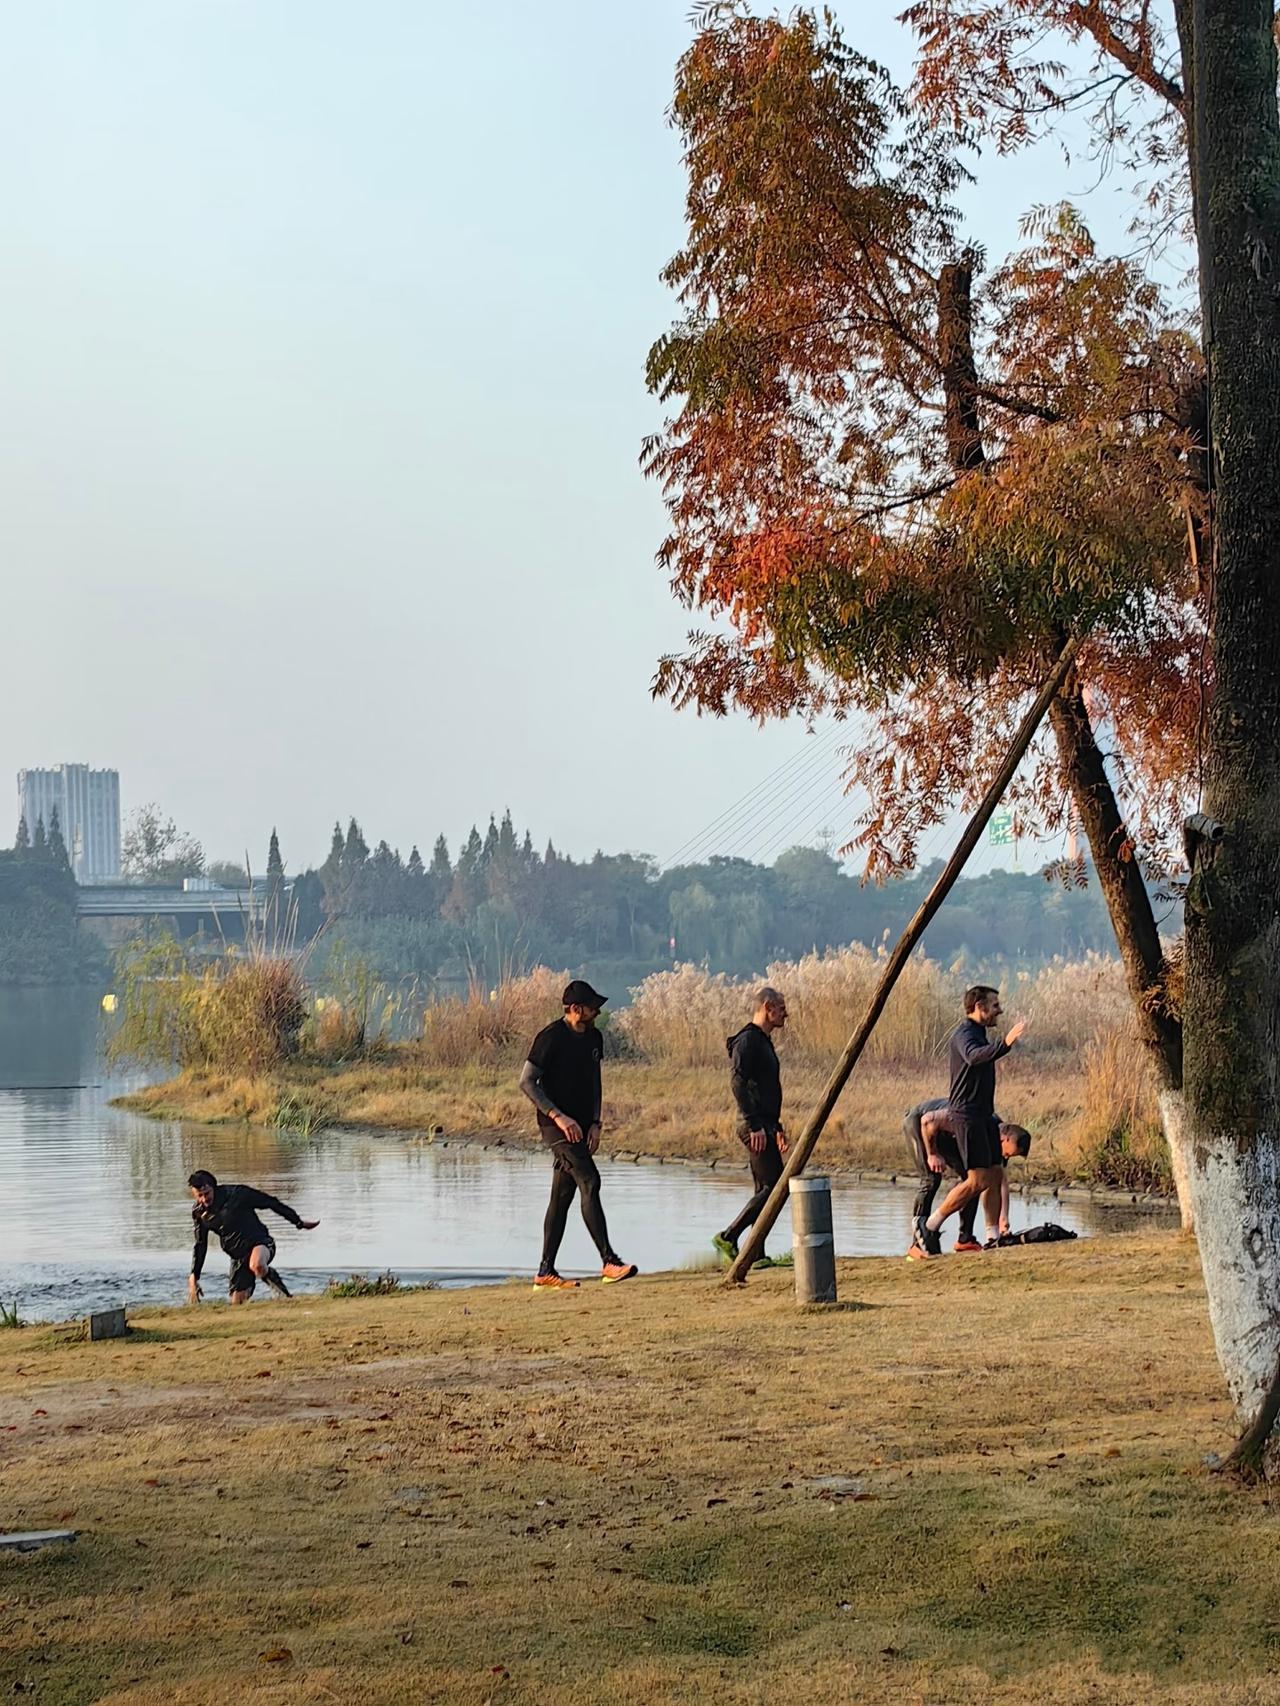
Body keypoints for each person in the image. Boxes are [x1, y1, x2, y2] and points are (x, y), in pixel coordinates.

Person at [519, 979, 637, 1289]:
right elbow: (527, 1082)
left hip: (584, 1126)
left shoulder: (594, 1037)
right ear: (574, 1009)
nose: (596, 1011)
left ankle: (545, 1272)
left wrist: (596, 1122)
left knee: (562, 1197)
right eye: (591, 1007)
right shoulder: (550, 1038)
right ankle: (609, 1262)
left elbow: (595, 1081)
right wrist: (558, 1117)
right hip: (556, 1127)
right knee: (590, 1180)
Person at [912, 985, 1028, 1257]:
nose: (1000, 1009)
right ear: (979, 1006)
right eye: (995, 1005)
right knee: (976, 1180)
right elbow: (974, 1057)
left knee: (996, 1172)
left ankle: (993, 1237)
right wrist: (1006, 1043)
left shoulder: (979, 1034)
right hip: (967, 1117)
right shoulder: (964, 1034)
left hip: (984, 1115)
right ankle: (929, 1225)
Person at [712, 987, 792, 1268]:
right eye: (781, 1007)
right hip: (753, 1126)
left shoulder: (764, 1041)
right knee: (774, 1187)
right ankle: (728, 1236)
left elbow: (766, 1089)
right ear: (767, 1006)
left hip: (765, 1124)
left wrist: (776, 1127)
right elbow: (738, 1082)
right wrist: (754, 1124)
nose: (786, 1013)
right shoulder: (747, 1040)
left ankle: (757, 1254)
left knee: (764, 1188)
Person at [904, 1098, 1032, 1257]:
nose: (1005, 1156)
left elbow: (1000, 1180)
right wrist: (932, 1154)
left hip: (949, 1134)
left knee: (974, 1180)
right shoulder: (980, 1125)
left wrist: (1003, 1218)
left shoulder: (994, 1139)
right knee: (931, 1180)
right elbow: (928, 1121)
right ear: (1005, 1138)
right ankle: (917, 1242)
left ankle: (965, 1239)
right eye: (1007, 1153)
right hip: (921, 1125)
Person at [187, 1170, 319, 1305]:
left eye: (207, 1194)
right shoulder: (198, 1212)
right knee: (237, 1304)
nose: (204, 1200)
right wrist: (194, 1276)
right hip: (238, 1257)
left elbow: (270, 1202)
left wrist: (298, 1222)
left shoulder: (237, 1194)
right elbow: (200, 1244)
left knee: (257, 1265)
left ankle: (285, 1297)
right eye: (199, 1196)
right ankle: (270, 1284)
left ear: (213, 1187)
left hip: (260, 1243)